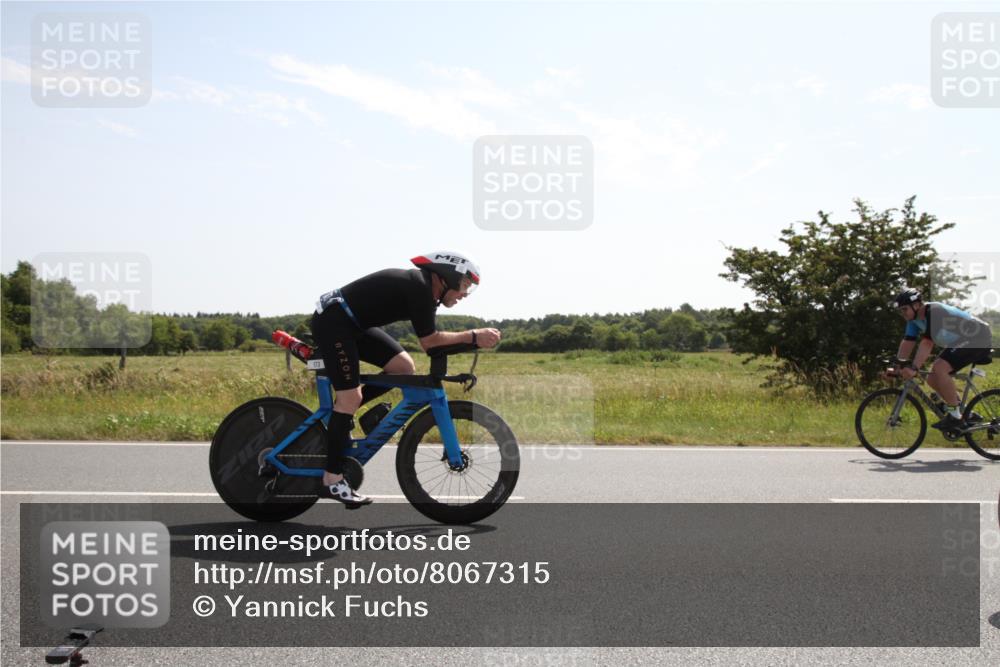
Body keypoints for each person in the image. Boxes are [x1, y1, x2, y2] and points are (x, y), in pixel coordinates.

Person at [310, 252, 501, 507]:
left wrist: (470, 339)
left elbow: (432, 345)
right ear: (448, 277)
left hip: (352, 323)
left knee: (402, 366)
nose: (465, 294)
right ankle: (332, 480)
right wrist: (473, 336)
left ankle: (343, 412)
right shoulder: (420, 288)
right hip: (334, 322)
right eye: (465, 285)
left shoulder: (424, 290)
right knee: (350, 396)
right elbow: (430, 342)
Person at [889, 288, 993, 431]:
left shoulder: (934, 312)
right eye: (901, 310)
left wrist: (913, 368)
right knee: (932, 378)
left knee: (940, 368)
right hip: (962, 340)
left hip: (978, 337)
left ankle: (956, 416)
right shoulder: (913, 320)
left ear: (916, 305)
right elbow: (908, 342)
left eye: (905, 309)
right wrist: (897, 366)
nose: (903, 313)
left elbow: (927, 343)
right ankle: (965, 414)